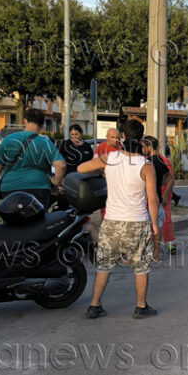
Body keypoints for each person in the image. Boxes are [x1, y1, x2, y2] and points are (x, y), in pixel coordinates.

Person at [77, 119, 160, 319]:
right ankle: (141, 307)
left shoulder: (109, 157)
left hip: (112, 221)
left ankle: (94, 305)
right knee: (140, 266)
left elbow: (81, 169)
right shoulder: (146, 165)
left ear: (122, 136)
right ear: (141, 139)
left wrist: (102, 170)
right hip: (137, 223)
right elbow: (152, 199)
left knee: (104, 265)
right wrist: (155, 224)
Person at [0, 109, 65, 208]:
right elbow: (61, 165)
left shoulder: (8, 140)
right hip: (38, 188)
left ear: (25, 121)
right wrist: (56, 184)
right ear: (42, 126)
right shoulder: (45, 142)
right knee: (37, 221)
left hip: (10, 188)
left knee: (12, 220)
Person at [141, 136, 172, 252]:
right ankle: (156, 253)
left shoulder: (146, 162)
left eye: (144, 146)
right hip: (158, 197)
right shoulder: (161, 161)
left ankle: (146, 251)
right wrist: (160, 184)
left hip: (148, 199)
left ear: (149, 147)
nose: (142, 149)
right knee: (157, 226)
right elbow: (169, 176)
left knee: (147, 227)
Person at [55, 124, 93, 211]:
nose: (74, 136)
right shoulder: (65, 144)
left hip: (81, 180)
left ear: (81, 134)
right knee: (64, 204)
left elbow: (90, 163)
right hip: (67, 179)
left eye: (76, 134)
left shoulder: (87, 146)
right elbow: (58, 160)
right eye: (72, 134)